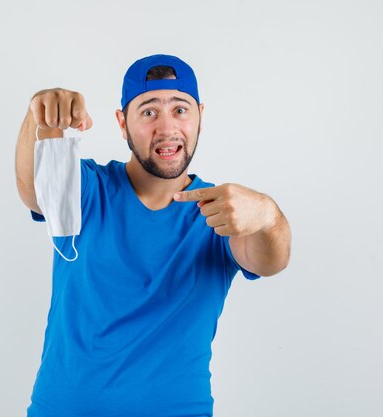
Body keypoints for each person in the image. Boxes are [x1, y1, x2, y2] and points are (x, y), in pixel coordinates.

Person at [15, 54, 292, 417]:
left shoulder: (219, 211)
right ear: (122, 123)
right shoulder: (88, 189)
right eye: (148, 112)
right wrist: (41, 115)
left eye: (180, 109)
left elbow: (270, 261)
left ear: (199, 117)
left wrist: (269, 218)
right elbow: (34, 190)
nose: (167, 127)